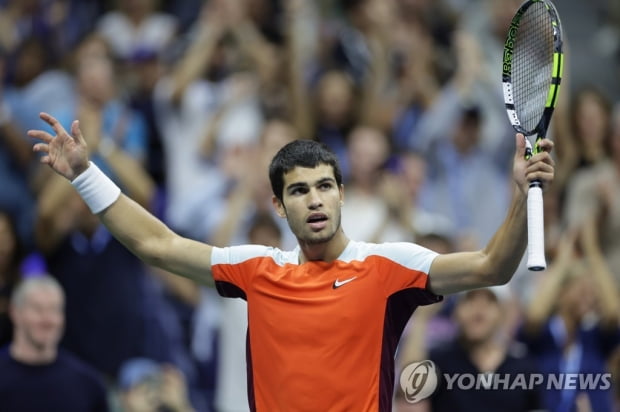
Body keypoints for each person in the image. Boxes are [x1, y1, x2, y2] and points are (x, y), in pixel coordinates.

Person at [29, 112, 554, 411]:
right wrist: (84, 175)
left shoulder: (390, 265)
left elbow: (491, 267)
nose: (316, 199)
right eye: (300, 191)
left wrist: (521, 192)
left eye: (325, 186)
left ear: (342, 193)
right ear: (279, 205)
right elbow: (158, 246)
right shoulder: (258, 269)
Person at [0, 275, 109, 411]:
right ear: (15, 312)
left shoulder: (88, 385)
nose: (48, 319)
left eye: (54, 310)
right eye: (38, 309)